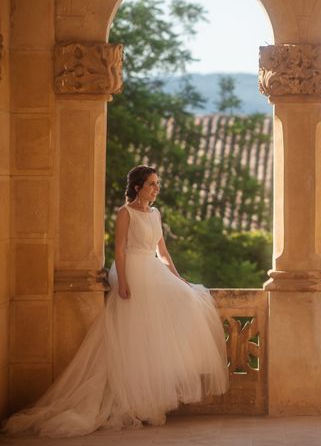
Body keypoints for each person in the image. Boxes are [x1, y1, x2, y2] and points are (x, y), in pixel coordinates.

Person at [3, 165, 229, 438]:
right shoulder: (125, 213)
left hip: (152, 267)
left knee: (184, 303)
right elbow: (119, 249)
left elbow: (163, 252)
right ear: (137, 187)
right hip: (131, 269)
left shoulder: (156, 213)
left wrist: (179, 279)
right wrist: (122, 281)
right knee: (132, 337)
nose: (156, 189)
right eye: (151, 184)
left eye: (157, 184)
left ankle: (148, 401)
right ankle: (132, 403)